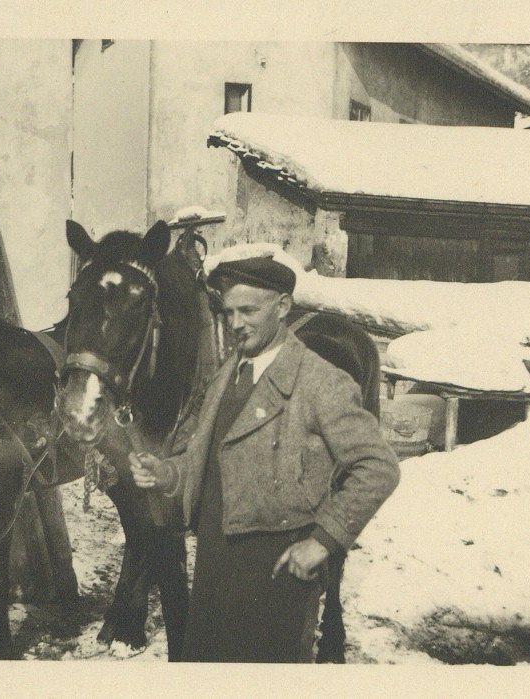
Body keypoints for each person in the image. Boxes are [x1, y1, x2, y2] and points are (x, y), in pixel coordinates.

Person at [129, 253, 399, 663]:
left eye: (249, 311)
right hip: (215, 560)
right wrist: (167, 473)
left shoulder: (320, 381)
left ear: (283, 307)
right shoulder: (226, 376)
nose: (236, 324)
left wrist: (323, 541)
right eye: (229, 312)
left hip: (278, 569)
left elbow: (379, 468)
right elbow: (212, 460)